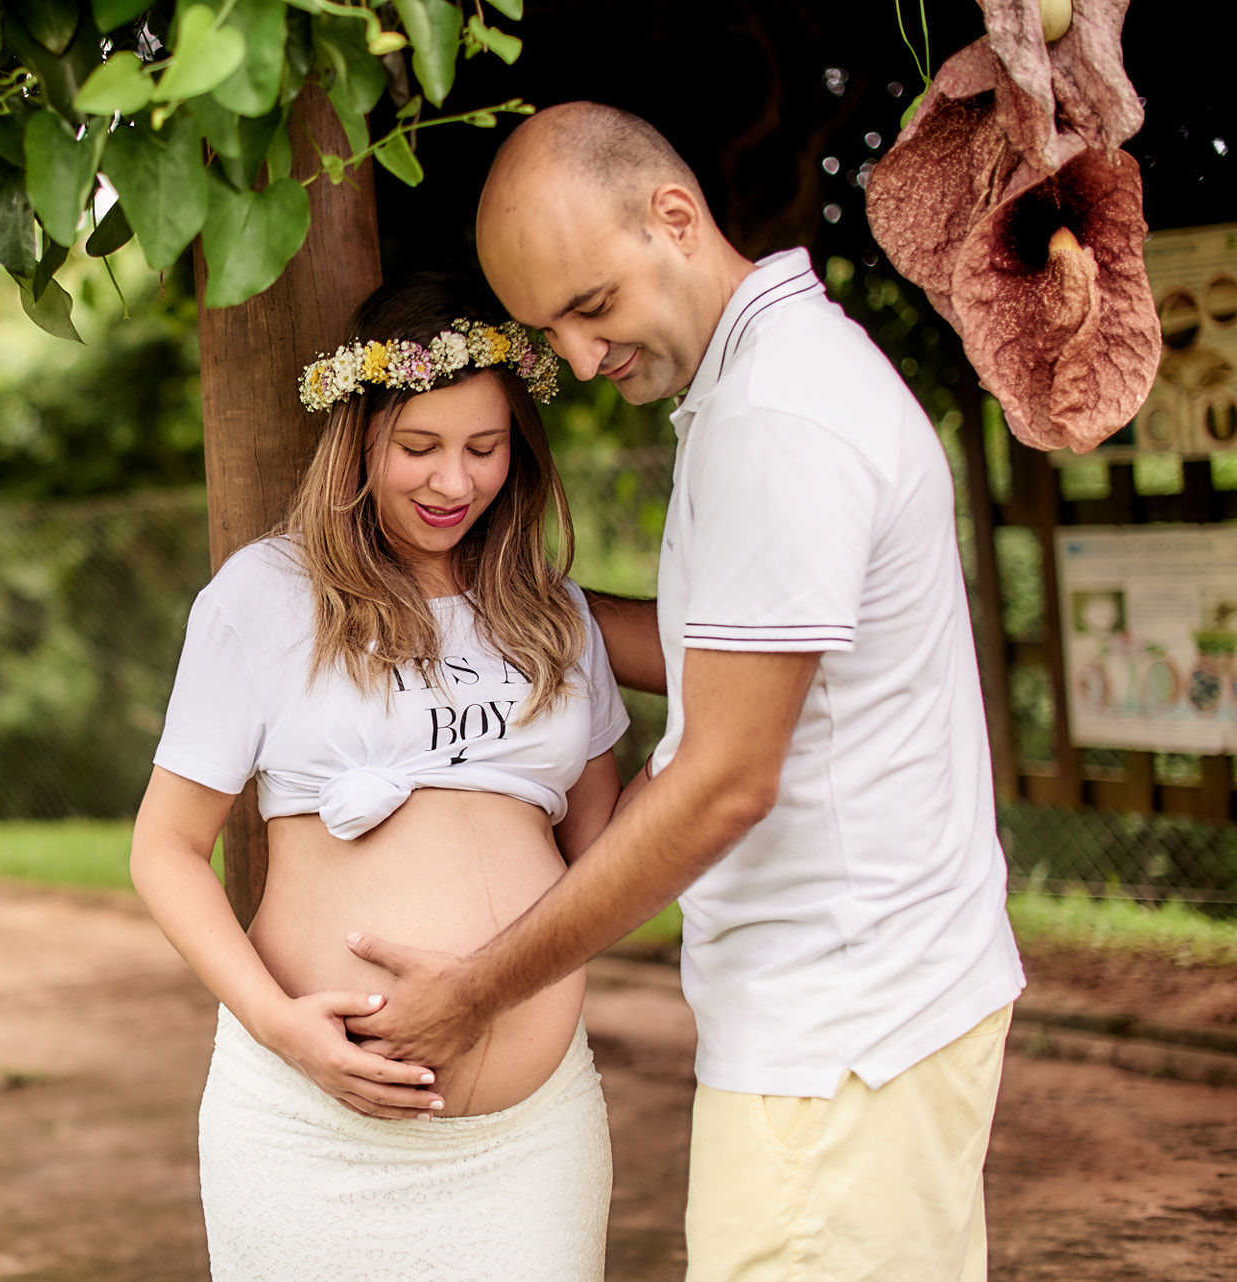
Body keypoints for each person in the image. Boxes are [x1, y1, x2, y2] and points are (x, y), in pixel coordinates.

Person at [341, 104, 1026, 1282]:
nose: (585, 358)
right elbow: (739, 650)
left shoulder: (777, 417)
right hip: (876, 1010)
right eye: (550, 329)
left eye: (593, 307)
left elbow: (721, 779)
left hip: (839, 1038)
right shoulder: (770, 377)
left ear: (674, 215)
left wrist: (475, 990)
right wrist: (487, 597)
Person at [130, 272, 631, 1280]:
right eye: (419, 448)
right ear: (356, 437)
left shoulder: (551, 615)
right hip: (311, 1133)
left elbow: (604, 856)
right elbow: (165, 851)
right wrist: (279, 1026)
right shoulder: (267, 597)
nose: (454, 481)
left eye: (484, 449)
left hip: (528, 1144)